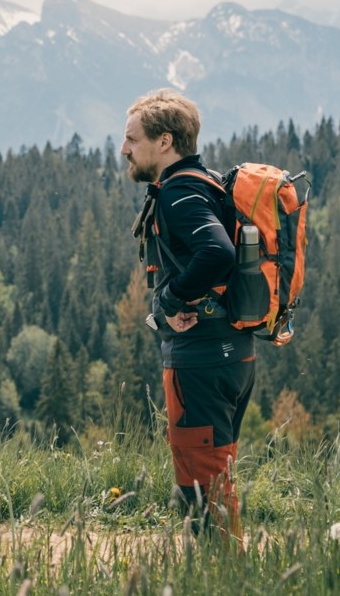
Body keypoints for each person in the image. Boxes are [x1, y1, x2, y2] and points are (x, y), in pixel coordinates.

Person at [124, 89, 255, 543]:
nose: (124, 149)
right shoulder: (206, 182)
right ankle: (221, 575)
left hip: (201, 359)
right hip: (232, 351)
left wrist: (171, 301)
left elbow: (216, 252)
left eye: (132, 139)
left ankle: (221, 580)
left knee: (203, 486)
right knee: (214, 475)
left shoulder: (180, 192)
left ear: (164, 142)